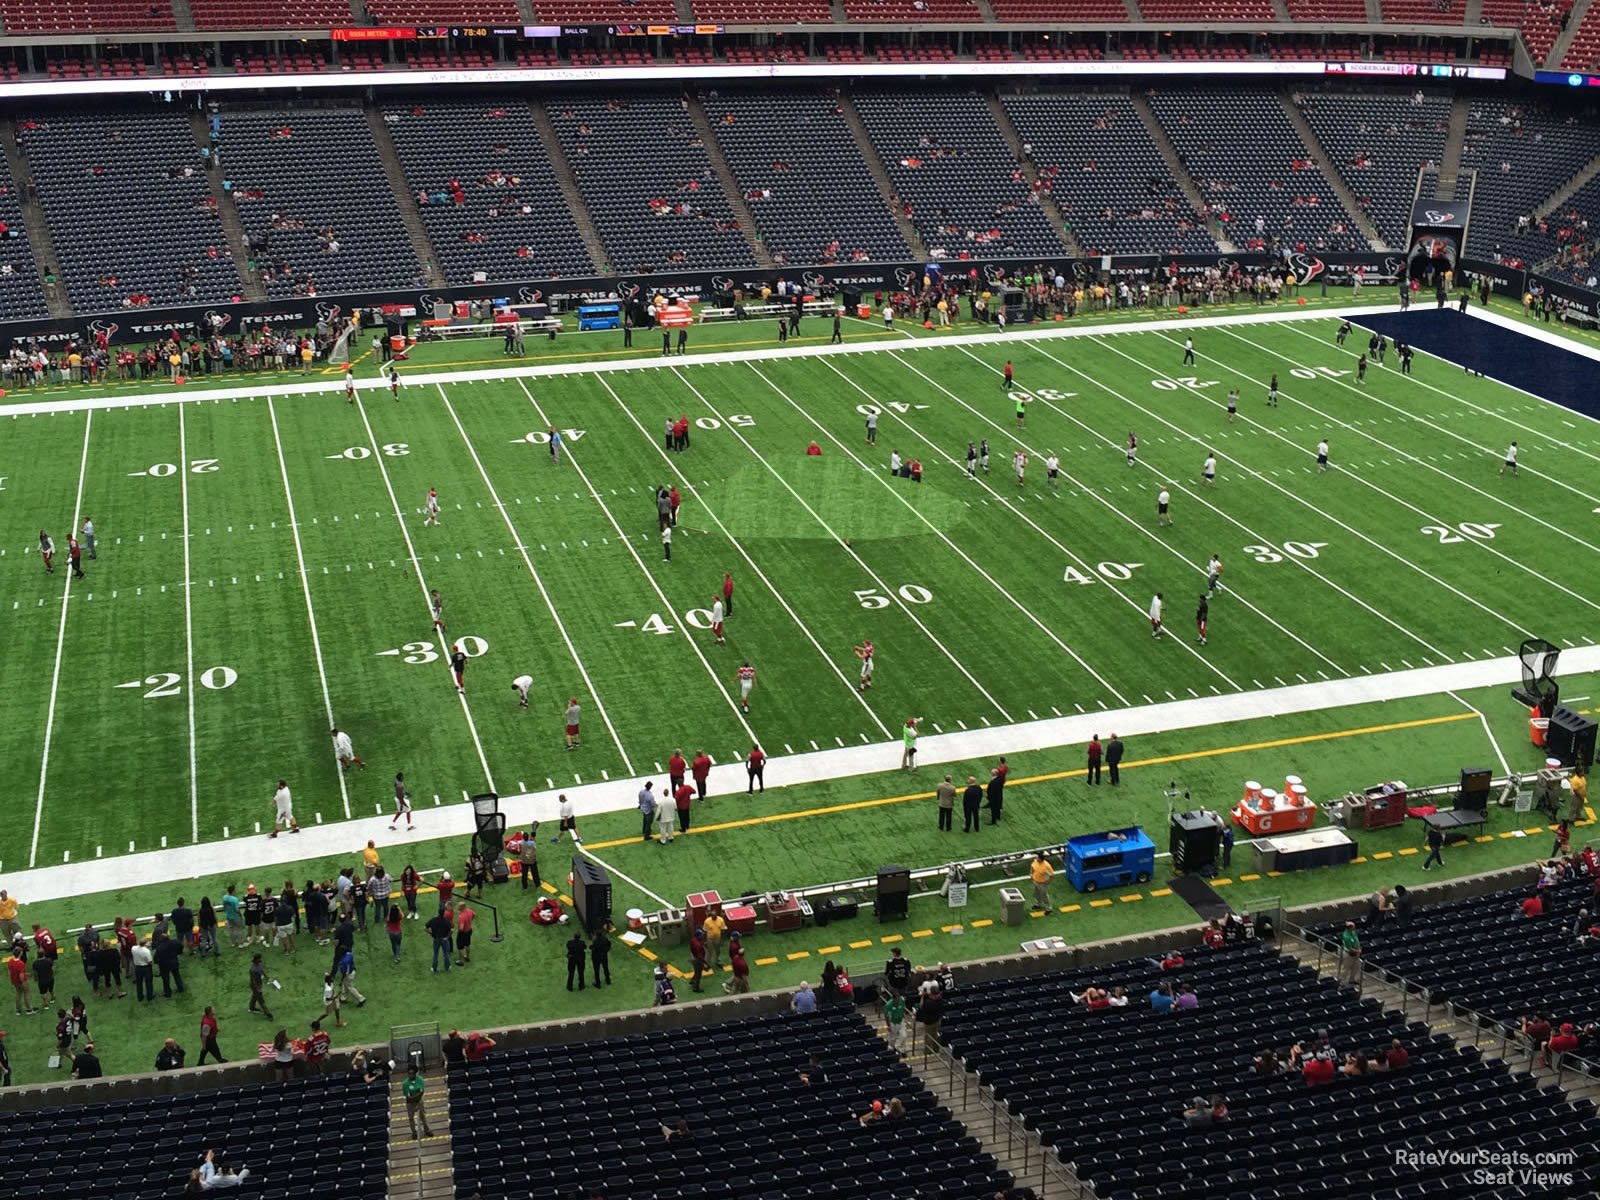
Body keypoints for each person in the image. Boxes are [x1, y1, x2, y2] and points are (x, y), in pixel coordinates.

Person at [403, 1065, 434, 1138]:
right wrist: (416, 1096)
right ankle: (414, 1132)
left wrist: (416, 1097)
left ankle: (427, 1130)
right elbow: (408, 1096)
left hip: (419, 1101)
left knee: (423, 1116)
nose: (410, 1075)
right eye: (409, 1073)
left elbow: (421, 1092)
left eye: (412, 1073)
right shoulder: (405, 1083)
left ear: (415, 1073)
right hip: (410, 1103)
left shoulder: (420, 1080)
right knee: (411, 1118)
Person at [426, 909, 453, 974]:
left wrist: (430, 933)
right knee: (446, 953)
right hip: (444, 939)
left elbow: (425, 927)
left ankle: (434, 968)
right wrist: (447, 937)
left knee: (436, 954)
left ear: (438, 912)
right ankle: (447, 967)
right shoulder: (446, 921)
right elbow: (451, 930)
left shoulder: (433, 920)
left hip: (436, 939)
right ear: (444, 913)